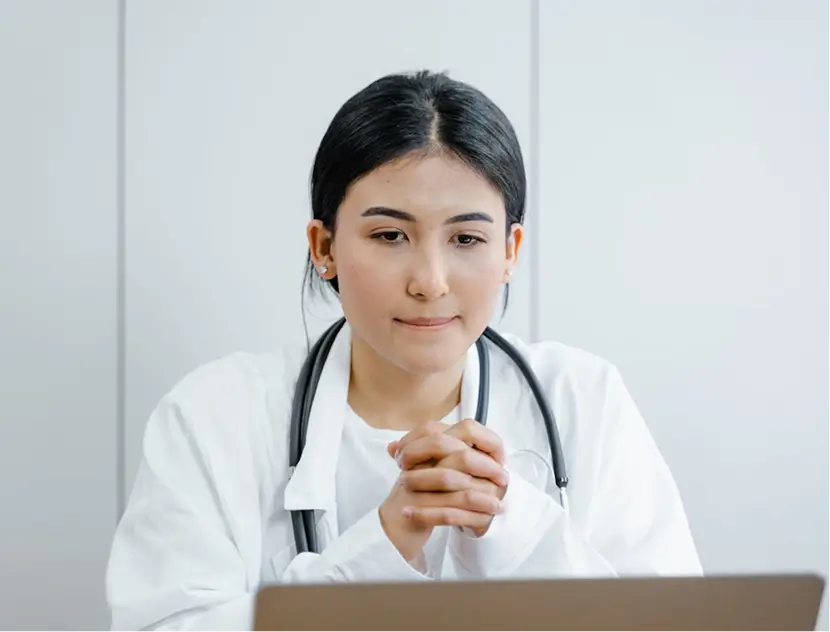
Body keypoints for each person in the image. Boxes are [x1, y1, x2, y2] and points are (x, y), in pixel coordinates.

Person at [106, 70, 702, 632]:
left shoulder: (582, 398)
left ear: (510, 251)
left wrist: (515, 525)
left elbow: (678, 622)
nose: (430, 281)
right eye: (390, 235)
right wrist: (376, 552)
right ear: (325, 246)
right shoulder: (215, 418)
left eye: (467, 238)